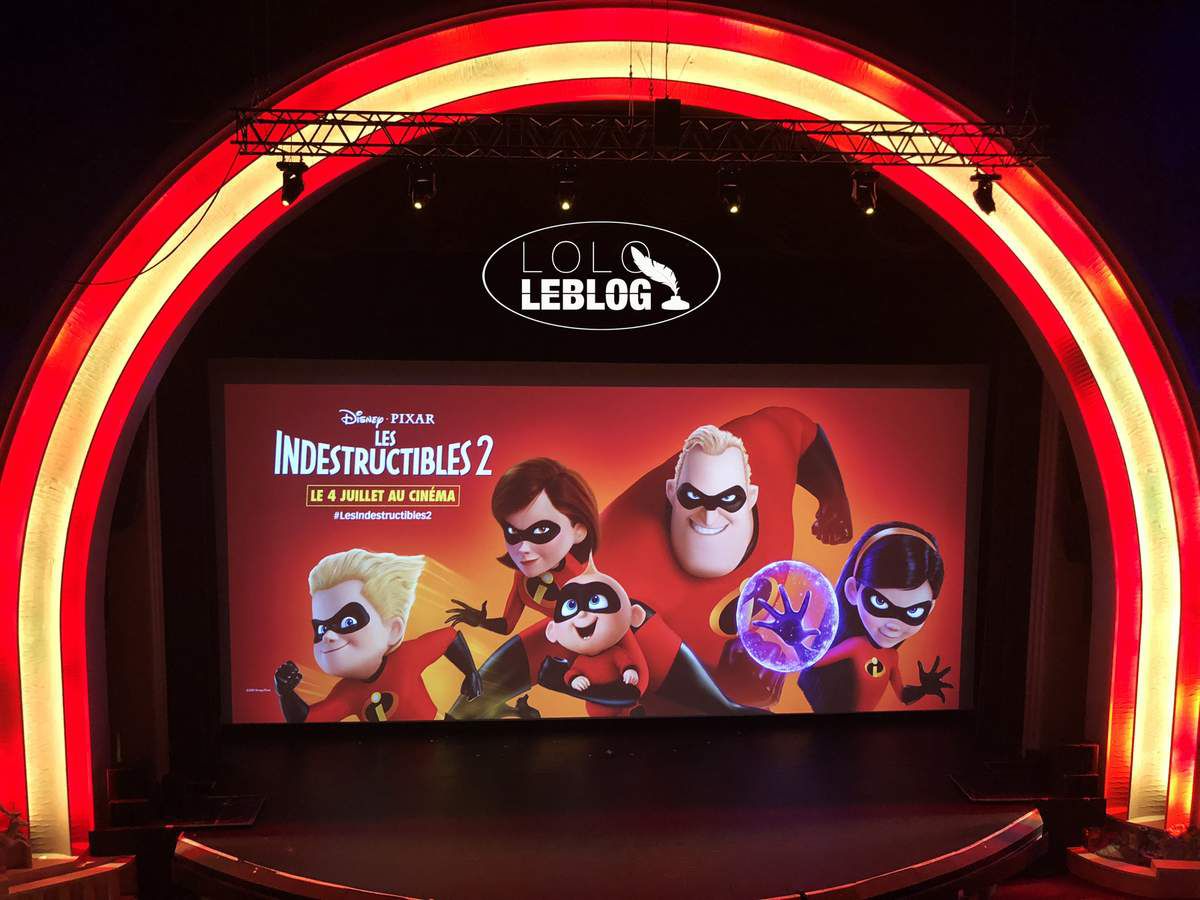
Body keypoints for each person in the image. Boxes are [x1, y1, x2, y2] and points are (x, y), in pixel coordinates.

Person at [447, 458, 759, 719]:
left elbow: (627, 688)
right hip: (564, 642)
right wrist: (480, 621)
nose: (523, 549)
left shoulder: (611, 602)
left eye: (541, 530)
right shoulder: (526, 581)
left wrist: (561, 681)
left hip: (625, 642)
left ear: (578, 529)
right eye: (512, 533)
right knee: (463, 712)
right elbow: (508, 625)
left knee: (724, 711)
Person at [597, 410, 853, 708]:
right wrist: (732, 692)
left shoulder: (765, 444)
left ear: (752, 495)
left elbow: (802, 434)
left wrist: (833, 498)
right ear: (671, 492)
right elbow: (633, 675)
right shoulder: (616, 571)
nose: (709, 516)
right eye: (693, 498)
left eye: (729, 499)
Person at [273, 549, 482, 722]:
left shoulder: (406, 658)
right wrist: (286, 693)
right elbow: (306, 719)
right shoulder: (347, 693)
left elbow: (450, 637)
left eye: (348, 622)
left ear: (393, 630)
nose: (328, 636)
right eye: (320, 629)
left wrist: (471, 672)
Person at [797, 523, 954, 713]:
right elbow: (812, 663)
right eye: (879, 602)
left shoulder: (892, 657)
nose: (893, 625)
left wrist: (923, 689)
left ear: (930, 608)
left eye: (914, 611)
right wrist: (795, 637)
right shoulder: (856, 646)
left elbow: (903, 695)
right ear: (853, 591)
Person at [544, 560, 649, 718]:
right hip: (596, 708)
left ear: (634, 615)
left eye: (595, 600)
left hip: (622, 700)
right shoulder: (580, 661)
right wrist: (575, 679)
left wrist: (629, 670)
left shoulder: (615, 653)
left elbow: (625, 662)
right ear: (552, 631)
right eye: (571, 606)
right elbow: (571, 673)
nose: (582, 614)